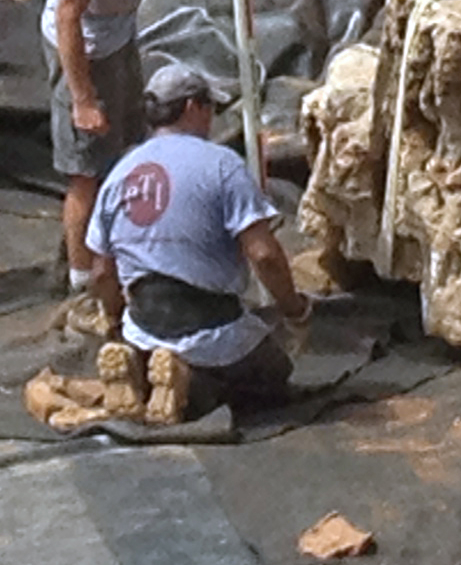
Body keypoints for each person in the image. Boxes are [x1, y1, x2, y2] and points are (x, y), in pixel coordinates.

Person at [49, 0, 235, 326]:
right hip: (85, 42)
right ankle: (83, 281)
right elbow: (68, 12)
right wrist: (83, 97)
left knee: (123, 145)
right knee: (86, 167)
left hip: (118, 33)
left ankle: (117, 252)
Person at [85, 66, 311, 425]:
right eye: (209, 107)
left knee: (148, 339)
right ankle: (190, 384)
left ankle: (143, 369)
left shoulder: (120, 172)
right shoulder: (223, 165)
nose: (212, 118)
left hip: (144, 318)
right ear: (192, 106)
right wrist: (294, 309)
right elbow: (264, 254)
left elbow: (100, 272)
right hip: (209, 323)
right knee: (272, 376)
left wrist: (114, 320)